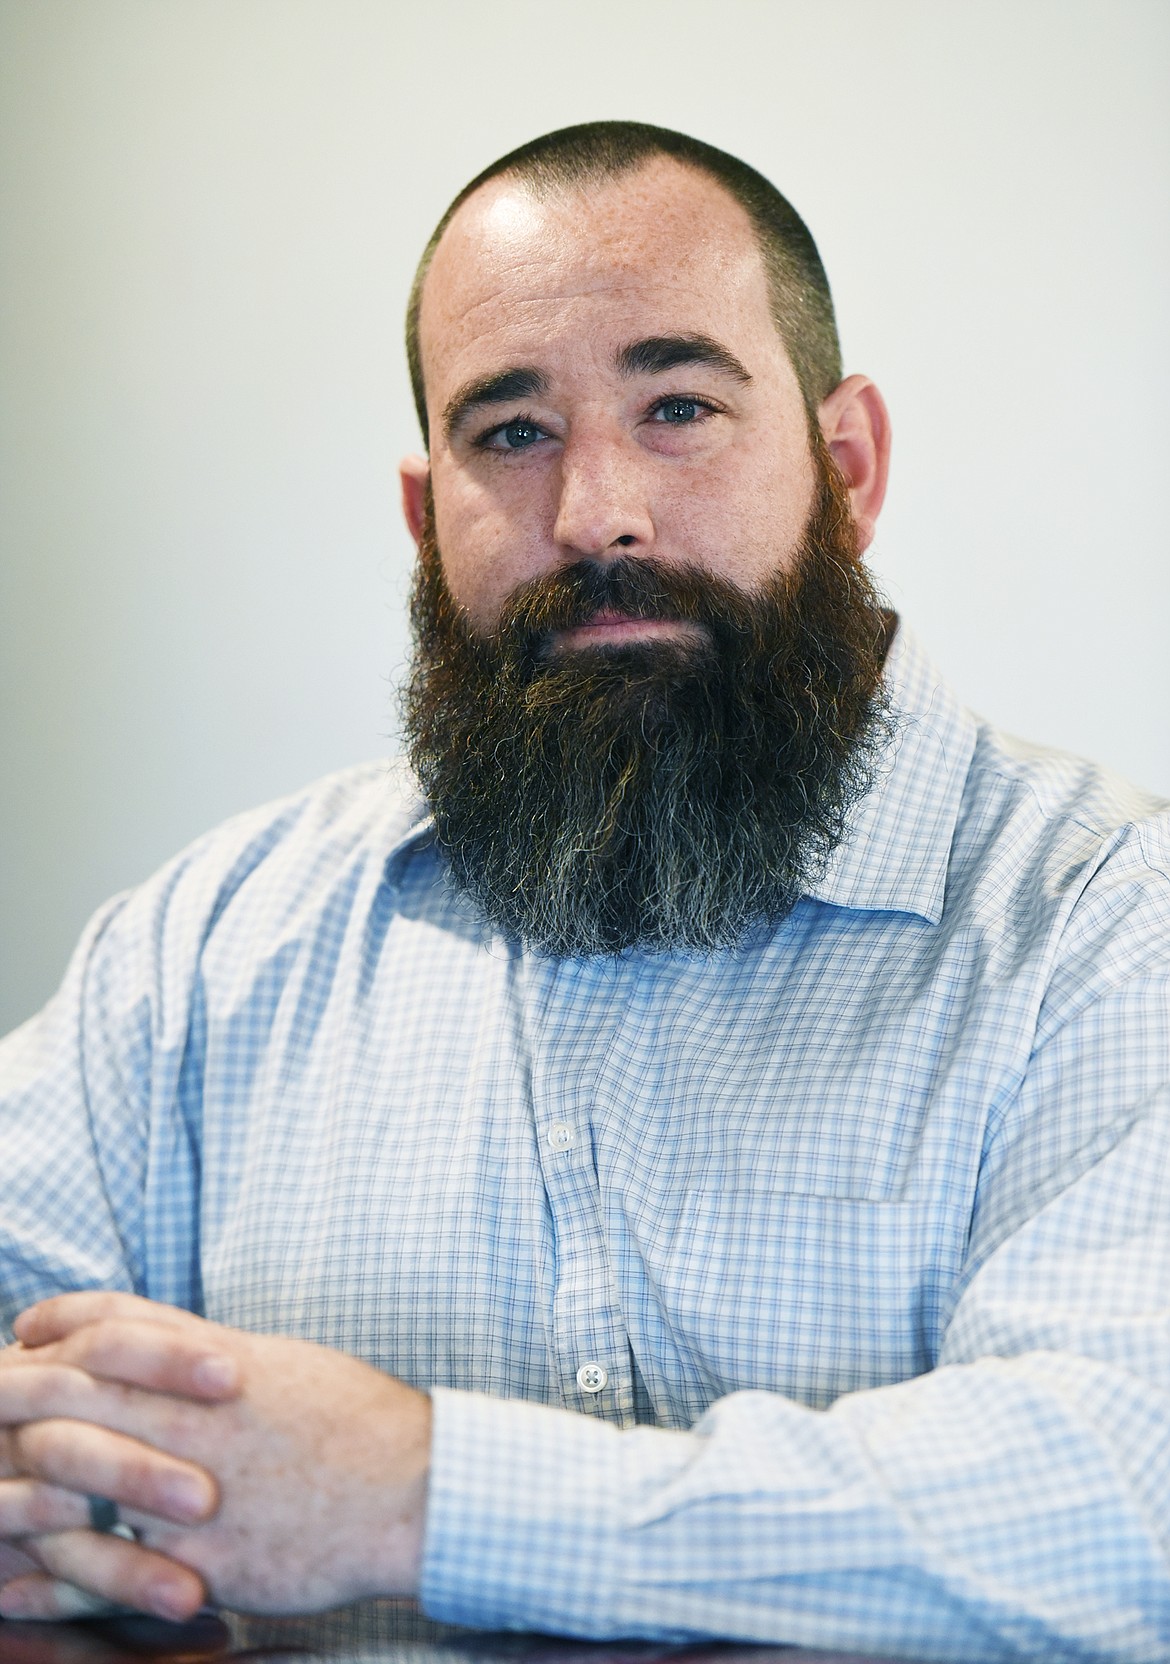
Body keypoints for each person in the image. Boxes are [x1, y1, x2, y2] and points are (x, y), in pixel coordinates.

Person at [0, 120, 1168, 1662]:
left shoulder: (1106, 922)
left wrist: (417, 1496)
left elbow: (1117, 1504)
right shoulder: (200, 948)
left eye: (676, 406)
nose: (594, 514)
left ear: (846, 466)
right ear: (425, 518)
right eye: (509, 433)